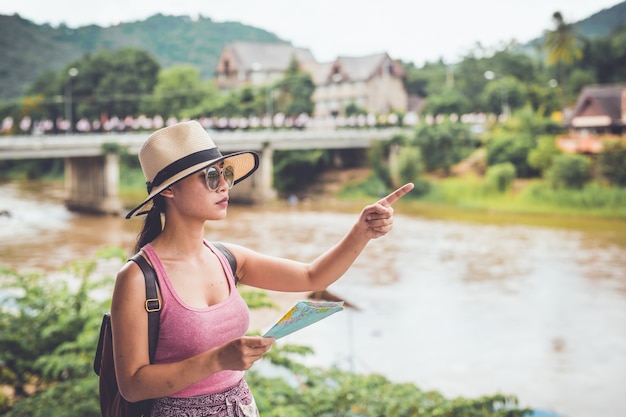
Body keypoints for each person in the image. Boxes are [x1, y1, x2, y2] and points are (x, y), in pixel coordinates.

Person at [111, 120, 414, 417]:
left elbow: (313, 276)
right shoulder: (138, 278)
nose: (225, 185)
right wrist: (218, 359)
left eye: (225, 174)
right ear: (169, 191)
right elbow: (132, 385)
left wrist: (361, 231)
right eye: (212, 176)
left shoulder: (228, 258)